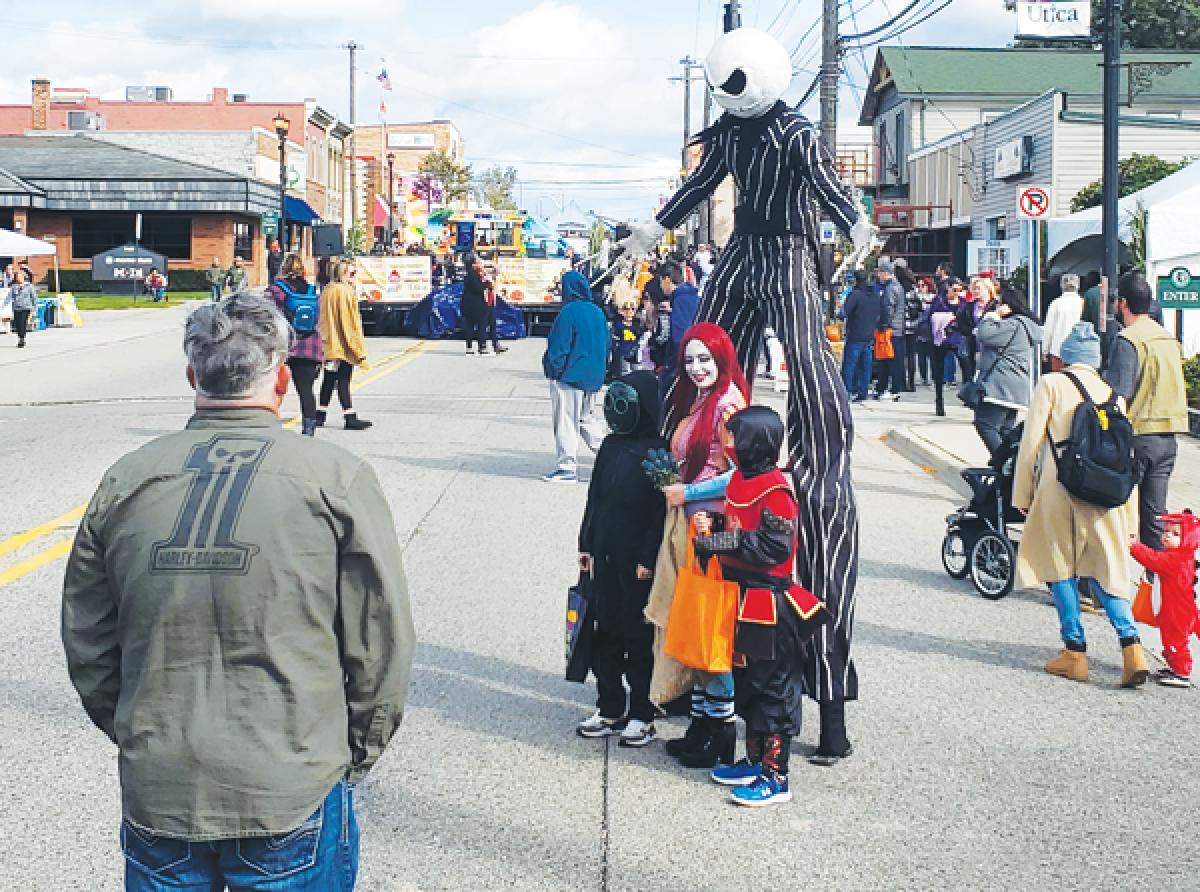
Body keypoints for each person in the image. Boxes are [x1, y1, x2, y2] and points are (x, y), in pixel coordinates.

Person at [62, 292, 416, 892]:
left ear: (191, 374)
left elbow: (88, 641)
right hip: (290, 782)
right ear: (281, 378)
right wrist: (350, 754)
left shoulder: (126, 480)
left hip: (163, 786)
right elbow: (380, 643)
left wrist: (143, 733)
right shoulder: (335, 480)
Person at [619, 28, 872, 765]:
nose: (728, 99)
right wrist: (654, 227)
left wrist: (855, 221)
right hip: (742, 256)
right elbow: (700, 188)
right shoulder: (731, 132)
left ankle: (825, 702)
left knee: (823, 425)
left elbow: (827, 187)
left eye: (734, 86)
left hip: (791, 254)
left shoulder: (794, 132)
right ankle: (687, 679)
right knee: (695, 369)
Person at [693, 406, 832, 806]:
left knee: (774, 687)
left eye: (733, 436)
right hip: (742, 597)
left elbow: (775, 546)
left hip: (771, 603)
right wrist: (714, 527)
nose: (725, 444)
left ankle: (776, 776)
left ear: (755, 442)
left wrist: (719, 541)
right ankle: (753, 760)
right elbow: (740, 529)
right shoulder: (739, 479)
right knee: (750, 684)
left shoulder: (775, 490)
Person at [1013, 322, 1149, 688]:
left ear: (1066, 357)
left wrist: (1022, 495)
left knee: (1058, 564)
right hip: (1105, 495)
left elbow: (1030, 445)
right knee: (1105, 568)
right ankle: (1131, 645)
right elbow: (1125, 459)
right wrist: (1131, 515)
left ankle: (1074, 651)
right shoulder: (1113, 396)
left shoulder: (1052, 384)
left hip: (1060, 489)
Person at [660, 323, 750, 769]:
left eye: (705, 359)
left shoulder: (729, 405)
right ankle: (702, 725)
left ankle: (719, 731)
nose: (696, 368)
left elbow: (743, 472)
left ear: (722, 358)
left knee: (711, 629)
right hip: (694, 525)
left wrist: (687, 493)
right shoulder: (702, 398)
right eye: (689, 360)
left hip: (714, 529)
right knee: (696, 626)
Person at [577, 371, 669, 747]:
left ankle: (642, 713)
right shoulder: (611, 447)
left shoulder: (658, 452)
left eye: (625, 403)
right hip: (605, 556)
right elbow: (594, 500)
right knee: (606, 632)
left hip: (637, 564)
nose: (616, 412)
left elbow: (661, 513)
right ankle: (610, 704)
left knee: (638, 637)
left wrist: (648, 558)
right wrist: (586, 545)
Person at [1103, 273, 1188, 549]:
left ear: (1123, 304)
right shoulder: (1168, 339)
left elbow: (1120, 392)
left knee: (1111, 508)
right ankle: (1158, 580)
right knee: (1154, 516)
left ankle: (1100, 580)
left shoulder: (1128, 340)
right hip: (1167, 436)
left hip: (1138, 434)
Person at [543, 270, 608, 484]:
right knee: (586, 418)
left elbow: (559, 346)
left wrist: (553, 370)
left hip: (570, 376)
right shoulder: (597, 312)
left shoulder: (569, 312)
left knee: (566, 420)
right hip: (593, 377)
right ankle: (609, 454)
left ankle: (566, 467)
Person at [1131, 512, 1200, 687]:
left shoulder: (1176, 560)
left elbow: (1152, 559)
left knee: (1176, 641)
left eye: (1176, 534)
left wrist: (1134, 546)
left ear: (1188, 540)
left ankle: (1182, 671)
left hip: (1177, 612)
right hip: (1178, 609)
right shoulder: (1183, 557)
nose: (1168, 535)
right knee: (1172, 639)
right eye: (1167, 531)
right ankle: (1174, 667)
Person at [971, 288, 1042, 456]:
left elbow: (984, 334)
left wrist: (992, 316)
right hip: (1017, 386)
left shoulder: (1013, 325)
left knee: (985, 425)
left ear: (1009, 306)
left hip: (1001, 384)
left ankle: (1004, 464)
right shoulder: (1027, 326)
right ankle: (1012, 466)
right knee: (1005, 431)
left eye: (1000, 303)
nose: (997, 306)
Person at [268, 253, 324, 436]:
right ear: (302, 270)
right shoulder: (311, 290)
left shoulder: (276, 290)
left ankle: (269, 426)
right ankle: (309, 430)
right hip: (309, 346)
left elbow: (263, 315)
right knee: (306, 390)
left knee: (271, 388)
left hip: (282, 346)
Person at [318, 260, 372, 431]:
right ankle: (350, 416)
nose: (354, 276)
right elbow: (349, 323)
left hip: (329, 341)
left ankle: (320, 414)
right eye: (351, 273)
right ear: (341, 273)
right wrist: (356, 348)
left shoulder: (328, 290)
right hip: (342, 343)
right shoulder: (345, 292)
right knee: (343, 379)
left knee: (329, 378)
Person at [926, 278, 971, 416]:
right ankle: (939, 401)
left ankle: (968, 397)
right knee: (938, 371)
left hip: (958, 339)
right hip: (941, 340)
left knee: (967, 369)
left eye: (960, 290)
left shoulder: (964, 303)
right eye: (955, 289)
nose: (957, 293)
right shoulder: (939, 301)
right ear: (948, 288)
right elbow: (930, 318)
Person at [840, 269, 881, 402]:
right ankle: (862, 392)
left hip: (855, 335)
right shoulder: (875, 295)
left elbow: (844, 312)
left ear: (855, 280)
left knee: (850, 365)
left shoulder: (855, 295)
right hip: (869, 335)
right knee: (865, 367)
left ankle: (846, 391)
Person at [658, 260, 699, 389]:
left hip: (682, 364)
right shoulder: (690, 296)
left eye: (661, 282)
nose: (661, 286)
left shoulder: (681, 300)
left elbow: (679, 336)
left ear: (667, 280)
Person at [874, 260, 907, 400]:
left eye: (880, 272)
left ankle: (893, 389)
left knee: (889, 360)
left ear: (885, 273)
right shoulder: (896, 286)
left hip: (890, 329)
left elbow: (888, 308)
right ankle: (888, 387)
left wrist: (882, 325)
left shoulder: (890, 288)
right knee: (891, 360)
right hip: (896, 328)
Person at [1041, 274, 1084, 361]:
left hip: (1057, 350)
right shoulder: (1082, 303)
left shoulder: (1056, 303)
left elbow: (1048, 329)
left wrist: (1044, 351)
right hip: (1077, 351)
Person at [460, 252, 491, 355]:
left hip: (467, 303)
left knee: (469, 325)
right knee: (481, 325)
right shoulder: (474, 274)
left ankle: (469, 347)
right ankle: (482, 346)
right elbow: (477, 288)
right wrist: (486, 285)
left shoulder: (467, 273)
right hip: (477, 304)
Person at [913, 276, 936, 386]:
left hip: (930, 330)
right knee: (921, 356)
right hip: (920, 330)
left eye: (923, 285)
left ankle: (933, 377)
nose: (921, 288)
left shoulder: (934, 298)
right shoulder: (915, 297)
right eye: (919, 286)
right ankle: (923, 377)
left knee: (932, 356)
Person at [9, 268, 38, 348]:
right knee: (17, 325)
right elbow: (10, 297)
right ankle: (19, 336)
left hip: (26, 307)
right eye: (17, 277)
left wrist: (34, 309)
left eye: (20, 277)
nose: (18, 278)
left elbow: (34, 298)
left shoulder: (29, 286)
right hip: (16, 307)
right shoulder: (14, 287)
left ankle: (22, 339)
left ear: (24, 277)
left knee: (22, 323)